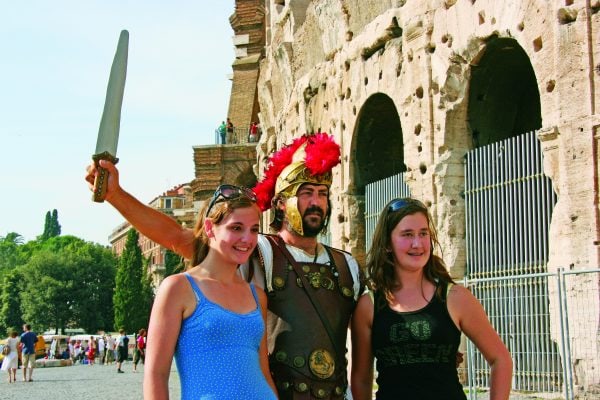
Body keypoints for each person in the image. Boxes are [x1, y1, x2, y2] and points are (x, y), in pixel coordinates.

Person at [85, 132, 363, 399]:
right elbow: (177, 238)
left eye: (322, 193)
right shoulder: (260, 251)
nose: (315, 202)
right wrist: (115, 195)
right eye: (305, 193)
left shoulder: (347, 265)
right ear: (281, 203)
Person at [350, 198, 513, 400]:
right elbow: (361, 379)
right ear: (387, 244)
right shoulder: (369, 306)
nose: (417, 243)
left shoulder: (456, 298)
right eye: (407, 234)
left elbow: (500, 359)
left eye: (423, 233)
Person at [146, 184, 277, 398]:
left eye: (254, 229)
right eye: (236, 228)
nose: (248, 238)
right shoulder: (178, 288)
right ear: (209, 228)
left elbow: (263, 371)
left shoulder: (257, 295)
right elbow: (156, 374)